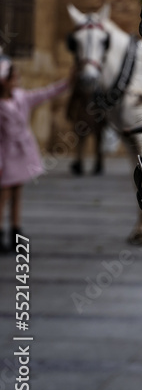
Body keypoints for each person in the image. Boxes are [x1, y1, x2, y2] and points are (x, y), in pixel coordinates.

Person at [0, 54, 70, 253]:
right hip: (6, 154)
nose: (18, 81)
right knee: (3, 195)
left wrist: (68, 82)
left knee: (17, 193)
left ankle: (16, 231)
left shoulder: (21, 97)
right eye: (14, 78)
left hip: (21, 153)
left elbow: (45, 93)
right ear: (4, 82)